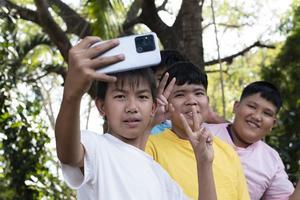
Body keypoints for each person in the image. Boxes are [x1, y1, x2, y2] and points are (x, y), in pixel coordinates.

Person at [55, 36, 217, 200]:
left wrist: (204, 163)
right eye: (120, 96)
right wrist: (72, 95)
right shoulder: (96, 147)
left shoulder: (161, 177)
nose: (132, 107)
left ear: (153, 107)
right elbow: (68, 154)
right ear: (102, 106)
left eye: (142, 97)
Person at [146, 62, 250, 200]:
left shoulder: (228, 151)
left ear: (207, 101)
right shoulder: (150, 146)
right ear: (165, 103)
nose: (191, 101)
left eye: (198, 93)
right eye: (180, 94)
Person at [205, 81, 295, 200]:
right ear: (236, 106)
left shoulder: (271, 160)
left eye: (267, 113)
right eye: (252, 106)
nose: (257, 117)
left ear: (273, 124)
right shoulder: (203, 133)